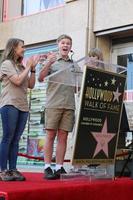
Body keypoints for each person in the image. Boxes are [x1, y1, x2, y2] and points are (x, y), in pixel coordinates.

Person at [0, 38, 39, 181]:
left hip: (23, 106)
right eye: (22, 46)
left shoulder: (22, 67)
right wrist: (28, 66)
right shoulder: (6, 64)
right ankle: (3, 170)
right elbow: (16, 81)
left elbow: (31, 85)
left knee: (16, 139)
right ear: (14, 48)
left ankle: (13, 169)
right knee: (8, 137)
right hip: (10, 104)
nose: (24, 49)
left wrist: (33, 69)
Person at [38, 34, 75, 180]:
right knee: (50, 135)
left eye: (68, 43)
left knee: (63, 137)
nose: (65, 45)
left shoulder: (74, 64)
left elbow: (78, 87)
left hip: (69, 105)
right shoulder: (51, 61)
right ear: (58, 45)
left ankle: (59, 167)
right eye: (63, 43)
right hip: (53, 104)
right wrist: (48, 63)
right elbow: (40, 78)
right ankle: (47, 167)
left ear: (70, 47)